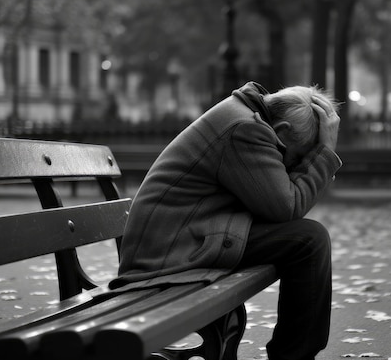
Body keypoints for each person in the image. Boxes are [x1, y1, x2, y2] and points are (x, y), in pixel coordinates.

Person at [110, 81, 341, 360]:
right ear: (283, 132)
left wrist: (315, 156)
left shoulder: (245, 118)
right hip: (169, 252)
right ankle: (294, 356)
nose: (293, 167)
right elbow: (286, 206)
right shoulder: (245, 130)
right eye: (297, 158)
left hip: (184, 239)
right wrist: (325, 155)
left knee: (306, 239)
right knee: (308, 241)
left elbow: (276, 206)